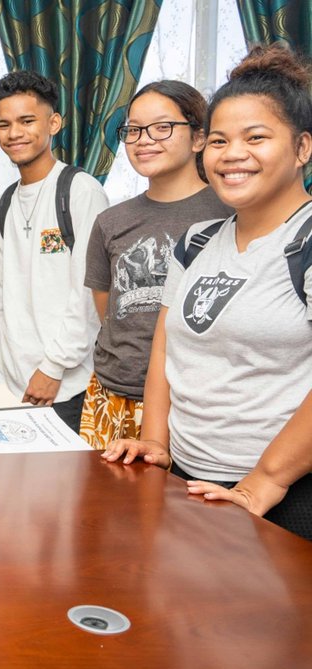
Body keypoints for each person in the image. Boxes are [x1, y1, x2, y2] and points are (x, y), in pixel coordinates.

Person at [105, 45, 312, 540]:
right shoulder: (197, 241)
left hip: (278, 495)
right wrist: (156, 442)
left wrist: (263, 482)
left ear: (303, 148)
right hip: (187, 479)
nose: (233, 154)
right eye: (219, 140)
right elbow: (165, 346)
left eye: (256, 137)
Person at [81, 82, 231, 449]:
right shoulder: (111, 221)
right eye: (133, 129)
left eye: (162, 127)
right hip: (111, 394)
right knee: (103, 505)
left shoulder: (229, 213)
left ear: (199, 138)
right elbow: (109, 309)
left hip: (193, 404)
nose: (143, 139)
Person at [0, 71, 110, 432]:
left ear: (53, 123)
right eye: (4, 124)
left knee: (59, 489)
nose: (14, 133)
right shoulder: (2, 203)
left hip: (62, 384)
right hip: (5, 381)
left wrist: (53, 367)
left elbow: (89, 294)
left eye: (26, 121)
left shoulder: (80, 191)